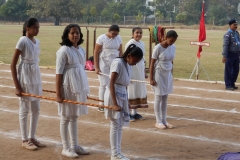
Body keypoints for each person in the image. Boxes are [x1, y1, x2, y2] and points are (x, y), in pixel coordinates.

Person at [10, 18, 46, 150]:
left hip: (35, 75)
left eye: (38, 28)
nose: (37, 30)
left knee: (36, 109)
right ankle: (24, 139)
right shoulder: (23, 41)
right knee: (25, 109)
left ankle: (32, 137)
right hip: (25, 76)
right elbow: (13, 64)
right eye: (35, 27)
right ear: (28, 28)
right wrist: (17, 86)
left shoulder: (37, 42)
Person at [56, 24, 90, 158]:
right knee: (65, 117)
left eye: (77, 33)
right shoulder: (63, 50)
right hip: (67, 86)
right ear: (67, 35)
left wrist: (84, 88)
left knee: (75, 115)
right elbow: (58, 73)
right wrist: (59, 94)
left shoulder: (82, 50)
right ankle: (66, 147)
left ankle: (75, 145)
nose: (75, 35)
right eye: (72, 33)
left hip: (78, 86)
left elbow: (81, 69)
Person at [104, 44, 143, 160]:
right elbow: (111, 83)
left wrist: (126, 101)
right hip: (114, 94)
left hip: (122, 94)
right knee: (115, 124)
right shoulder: (118, 63)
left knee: (119, 125)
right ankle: (114, 154)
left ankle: (117, 152)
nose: (135, 63)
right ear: (130, 55)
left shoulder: (128, 64)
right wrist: (115, 104)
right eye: (135, 60)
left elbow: (125, 83)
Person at [149, 30, 178, 129]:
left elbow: (171, 61)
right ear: (166, 37)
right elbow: (152, 63)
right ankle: (158, 121)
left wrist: (171, 74)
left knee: (165, 96)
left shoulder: (173, 47)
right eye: (170, 40)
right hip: (159, 73)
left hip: (168, 73)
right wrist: (151, 78)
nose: (172, 43)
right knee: (158, 96)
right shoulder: (158, 48)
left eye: (174, 41)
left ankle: (164, 120)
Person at [94, 25, 123, 112]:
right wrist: (96, 67)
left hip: (115, 63)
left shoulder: (118, 38)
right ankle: (101, 104)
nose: (114, 36)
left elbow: (121, 51)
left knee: (114, 83)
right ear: (108, 31)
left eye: (116, 34)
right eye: (113, 33)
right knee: (104, 84)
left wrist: (122, 63)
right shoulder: (101, 38)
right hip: (104, 63)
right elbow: (95, 52)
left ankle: (110, 102)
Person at [125, 27, 148, 122]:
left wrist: (144, 72)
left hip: (140, 69)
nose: (139, 34)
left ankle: (134, 113)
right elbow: (127, 58)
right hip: (132, 69)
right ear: (132, 34)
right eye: (137, 32)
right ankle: (128, 113)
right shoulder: (130, 44)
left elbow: (142, 59)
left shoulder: (142, 43)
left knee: (138, 90)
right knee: (131, 90)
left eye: (140, 33)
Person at [222, 19, 240, 90]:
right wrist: (224, 56)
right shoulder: (228, 34)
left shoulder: (237, 33)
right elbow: (225, 45)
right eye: (234, 25)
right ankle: (228, 85)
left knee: (236, 70)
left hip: (236, 54)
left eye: (236, 25)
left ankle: (232, 83)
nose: (236, 26)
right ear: (230, 25)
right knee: (229, 70)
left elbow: (239, 44)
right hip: (230, 54)